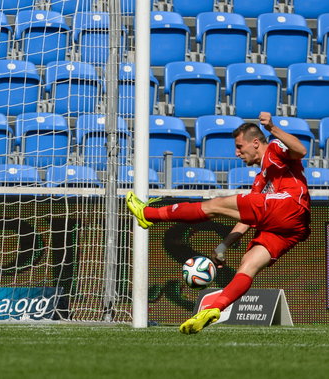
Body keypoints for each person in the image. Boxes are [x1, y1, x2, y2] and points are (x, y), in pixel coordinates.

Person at [126, 111, 311, 334]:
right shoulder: (260, 180)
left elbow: (301, 150)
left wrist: (272, 128)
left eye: (240, 147)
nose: (237, 153)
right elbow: (247, 219)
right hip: (291, 227)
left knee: (214, 206)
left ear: (255, 143)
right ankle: (214, 308)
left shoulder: (274, 148)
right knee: (248, 265)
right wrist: (223, 246)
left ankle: (149, 215)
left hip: (290, 204)